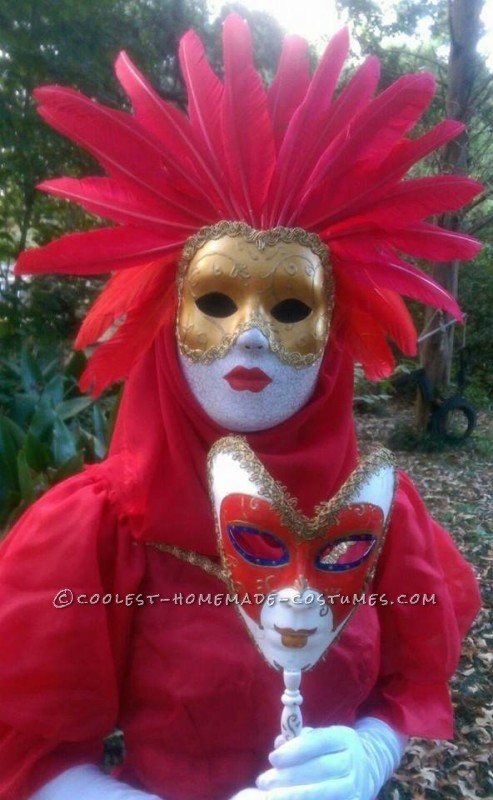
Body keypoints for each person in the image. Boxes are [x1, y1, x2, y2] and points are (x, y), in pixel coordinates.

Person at [0, 14, 481, 800]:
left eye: (289, 306)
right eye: (216, 299)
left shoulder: (376, 514)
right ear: (167, 314)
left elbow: (407, 682)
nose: (250, 337)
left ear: (333, 333)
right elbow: (29, 754)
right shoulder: (99, 531)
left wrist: (367, 754)